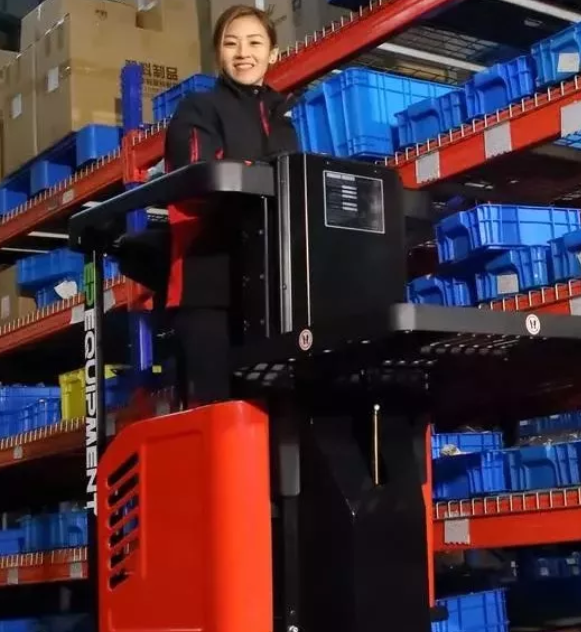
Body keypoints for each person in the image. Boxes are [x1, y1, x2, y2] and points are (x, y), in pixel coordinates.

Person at [162, 4, 299, 406]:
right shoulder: (198, 108)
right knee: (218, 411)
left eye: (254, 43)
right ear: (218, 54)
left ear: (273, 53)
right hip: (209, 286)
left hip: (272, 287)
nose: (243, 53)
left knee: (276, 413)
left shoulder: (284, 119)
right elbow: (196, 177)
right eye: (231, 43)